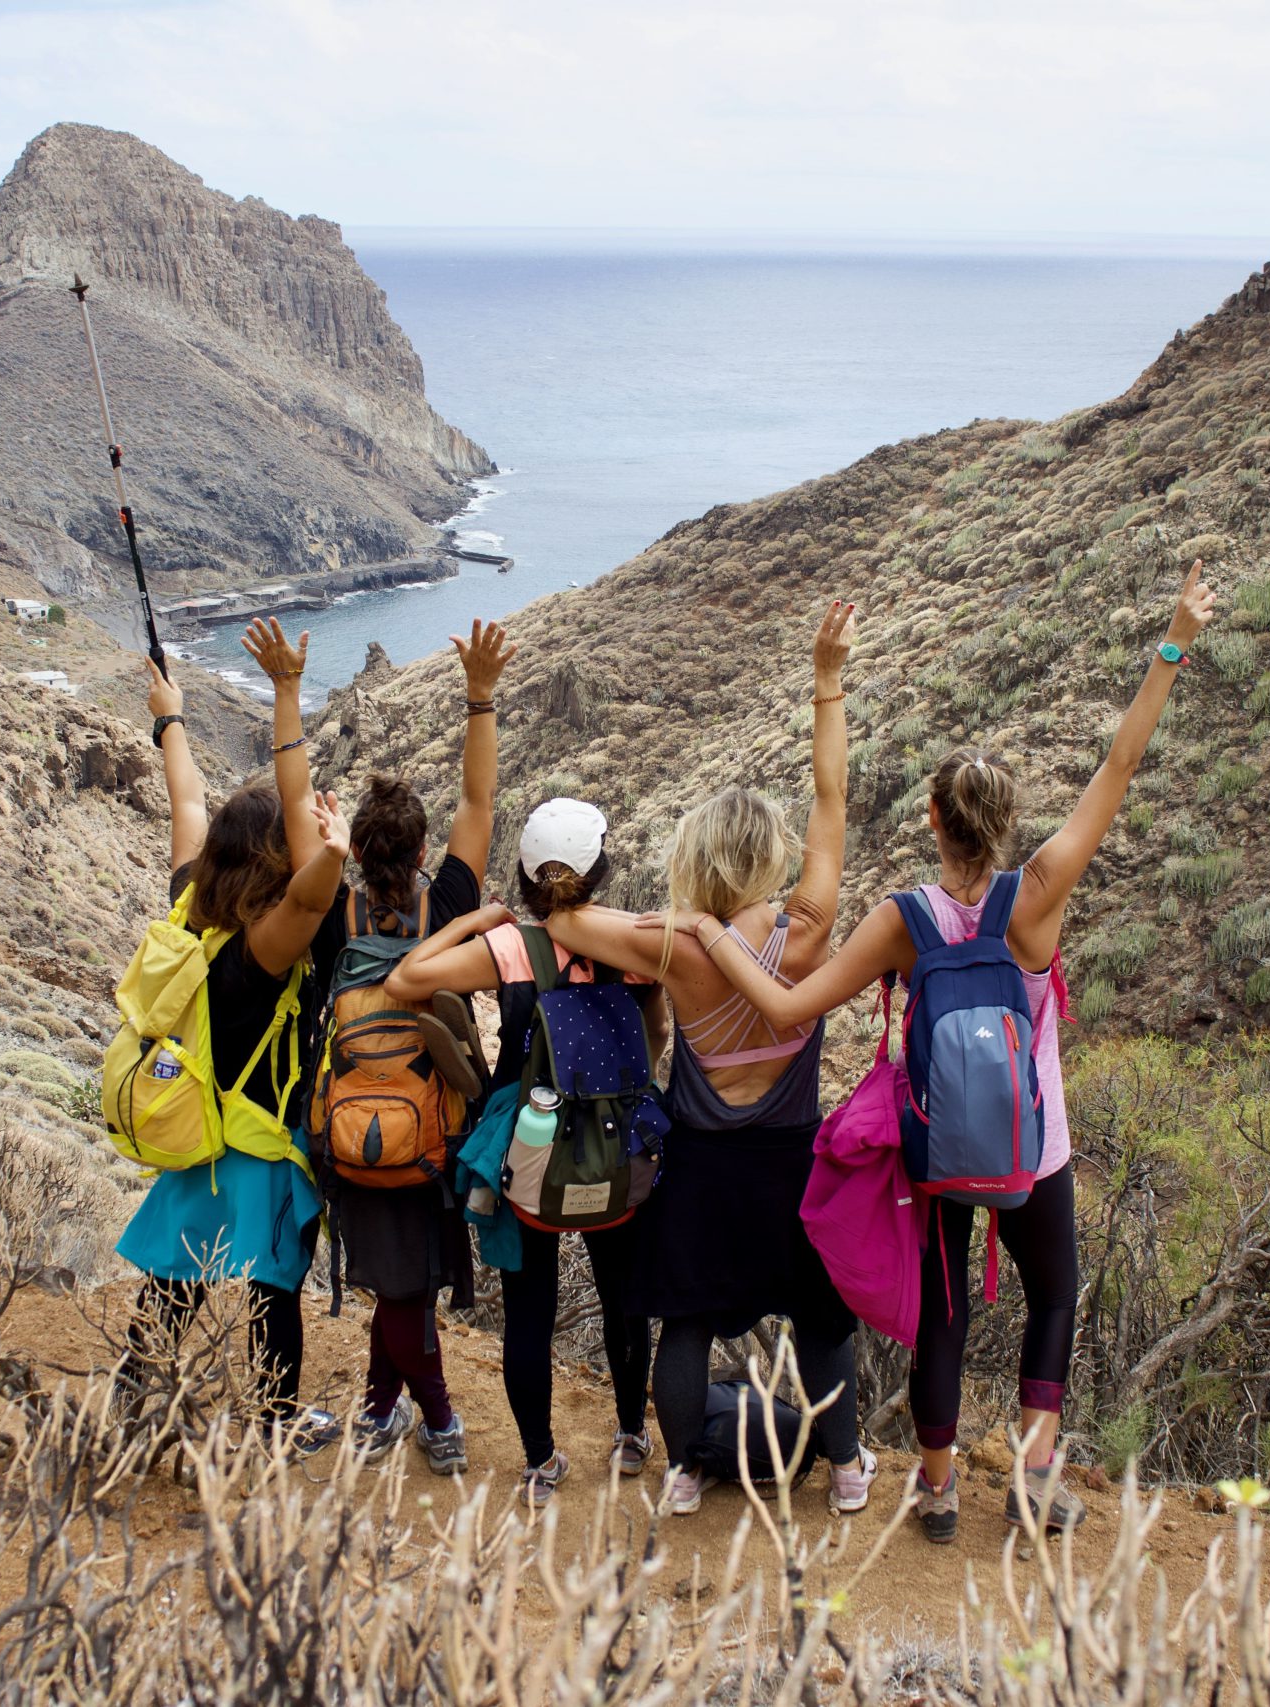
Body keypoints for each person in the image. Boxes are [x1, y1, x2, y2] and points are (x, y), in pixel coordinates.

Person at [696, 559, 1218, 1542]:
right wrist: (1173, 641)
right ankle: (1031, 1468)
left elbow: (791, 1003)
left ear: (931, 822)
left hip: (937, 1156)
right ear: (1007, 823)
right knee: (1052, 1296)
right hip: (1035, 1149)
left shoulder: (906, 921)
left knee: (944, 1308)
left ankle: (934, 1488)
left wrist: (714, 933)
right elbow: (1117, 768)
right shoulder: (1040, 892)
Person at [538, 602, 874, 1517]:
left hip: (701, 1162)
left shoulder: (675, 944)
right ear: (769, 856)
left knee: (684, 1315)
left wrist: (558, 879)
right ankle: (846, 1471)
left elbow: (562, 918)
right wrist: (826, 680)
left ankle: (687, 1468)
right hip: (790, 1160)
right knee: (818, 1316)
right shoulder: (804, 933)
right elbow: (834, 800)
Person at [113, 635, 354, 1455]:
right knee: (272, 1288)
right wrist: (335, 848)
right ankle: (277, 1423)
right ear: (274, 866)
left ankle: (132, 1399)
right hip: (258, 1145)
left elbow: (185, 803)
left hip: (198, 1138)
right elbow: (317, 891)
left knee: (175, 1283)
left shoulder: (191, 905)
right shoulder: (266, 949)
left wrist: (170, 718)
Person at [385, 797, 660, 1507]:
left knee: (528, 1303)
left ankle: (540, 1461)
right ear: (599, 871)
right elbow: (655, 1038)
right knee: (624, 1293)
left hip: (530, 1150)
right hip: (614, 1142)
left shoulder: (511, 949)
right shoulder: (632, 944)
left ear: (526, 875)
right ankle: (633, 1435)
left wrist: (477, 919)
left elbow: (406, 980)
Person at [306, 617, 515, 1475]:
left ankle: (381, 1411)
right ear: (426, 851)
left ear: (353, 852)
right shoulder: (449, 903)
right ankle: (438, 1420)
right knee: (406, 1285)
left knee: (401, 1283)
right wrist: (480, 697)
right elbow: (480, 803)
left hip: (350, 1124)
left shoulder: (332, 916)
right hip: (435, 1131)